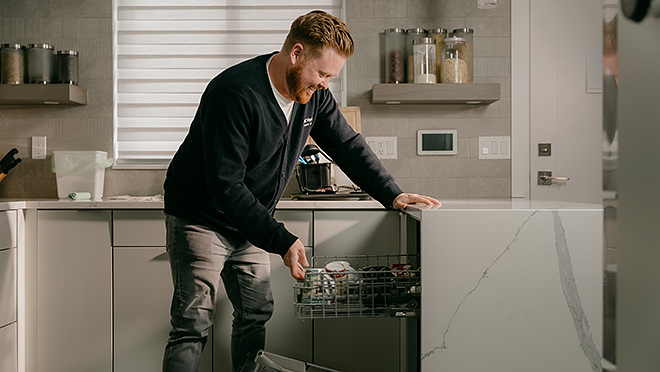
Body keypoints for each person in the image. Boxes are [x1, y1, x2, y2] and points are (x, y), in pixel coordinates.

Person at [162, 10, 440, 372]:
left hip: (250, 219)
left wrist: (392, 193)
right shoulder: (233, 93)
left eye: (330, 77)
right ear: (296, 54)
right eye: (322, 73)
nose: (325, 84)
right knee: (193, 322)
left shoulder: (313, 96)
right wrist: (279, 238)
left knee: (255, 312)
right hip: (201, 216)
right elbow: (225, 185)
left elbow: (347, 146)